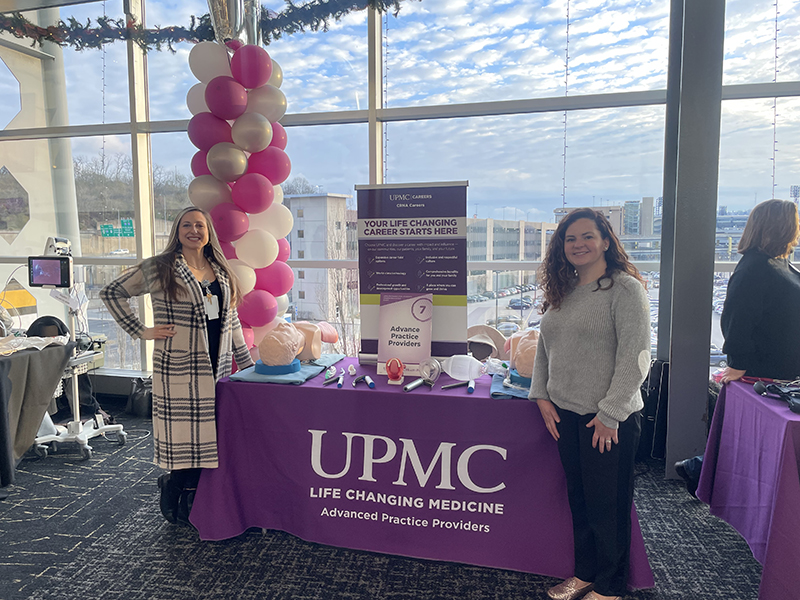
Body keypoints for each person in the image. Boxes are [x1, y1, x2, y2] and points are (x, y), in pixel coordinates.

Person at [101, 206, 254, 524]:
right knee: (184, 438)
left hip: (217, 365)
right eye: (187, 225)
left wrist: (248, 365)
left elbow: (232, 320)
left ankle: (195, 494)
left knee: (210, 436)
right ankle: (173, 486)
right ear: (177, 231)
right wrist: (141, 330)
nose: (194, 230)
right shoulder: (161, 267)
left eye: (200, 225)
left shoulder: (220, 272)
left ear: (209, 232)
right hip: (179, 367)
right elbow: (113, 292)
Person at [529, 208, 650, 600]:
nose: (578, 245)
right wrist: (542, 395)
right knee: (579, 502)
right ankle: (584, 574)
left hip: (607, 419)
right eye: (570, 239)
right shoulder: (563, 291)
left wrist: (610, 414)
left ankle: (611, 588)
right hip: (566, 414)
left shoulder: (625, 290)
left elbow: (636, 358)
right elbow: (546, 348)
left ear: (605, 241)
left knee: (608, 507)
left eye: (587, 236)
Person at [674, 199, 800, 495]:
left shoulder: (777, 263)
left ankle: (700, 468)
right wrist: (738, 365)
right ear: (782, 226)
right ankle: (701, 468)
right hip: (767, 371)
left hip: (782, 369)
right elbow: (737, 318)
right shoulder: (757, 267)